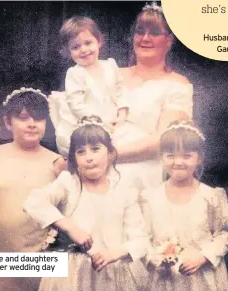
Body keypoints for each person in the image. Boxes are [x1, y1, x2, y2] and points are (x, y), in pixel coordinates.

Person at [23, 115, 148, 291]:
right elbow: (34, 202)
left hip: (110, 276)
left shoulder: (123, 190)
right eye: (81, 152)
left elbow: (140, 241)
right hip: (72, 275)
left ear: (110, 153)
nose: (88, 157)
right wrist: (70, 228)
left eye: (95, 149)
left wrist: (114, 253)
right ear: (74, 158)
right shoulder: (69, 183)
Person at [0, 87, 66, 291]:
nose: (31, 124)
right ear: (8, 122)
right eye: (23, 117)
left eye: (38, 118)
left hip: (39, 257)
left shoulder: (57, 163)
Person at [139, 120, 228, 291]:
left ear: (199, 158)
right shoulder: (150, 197)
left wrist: (203, 257)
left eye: (186, 156)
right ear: (162, 156)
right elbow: (143, 238)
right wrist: (156, 260)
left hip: (201, 279)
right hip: (165, 281)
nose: (178, 162)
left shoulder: (211, 196)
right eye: (170, 155)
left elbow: (223, 234)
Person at [113, 3, 193, 188]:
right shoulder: (113, 73)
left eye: (155, 33)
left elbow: (162, 141)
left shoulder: (178, 85)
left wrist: (110, 155)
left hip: (139, 172)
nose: (145, 38)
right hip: (92, 165)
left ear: (169, 41)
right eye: (140, 31)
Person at [50, 16, 128, 155]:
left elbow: (120, 91)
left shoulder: (110, 65)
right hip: (88, 123)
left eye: (88, 43)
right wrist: (101, 121)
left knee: (127, 141)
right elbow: (76, 106)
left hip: (114, 121)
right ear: (68, 52)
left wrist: (122, 114)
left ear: (99, 41)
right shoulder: (75, 73)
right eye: (76, 47)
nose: (83, 50)